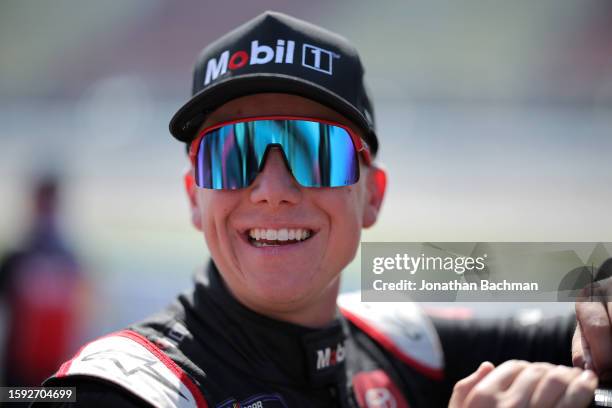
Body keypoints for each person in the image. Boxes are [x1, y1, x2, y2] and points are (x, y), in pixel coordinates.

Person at [39, 11, 608, 407]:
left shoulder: (399, 332)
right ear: (194, 197)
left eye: (315, 150)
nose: (272, 189)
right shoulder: (120, 389)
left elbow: (575, 286)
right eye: (232, 154)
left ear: (373, 196)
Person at [0, 174, 86, 391]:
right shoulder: (18, 255)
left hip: (56, 367)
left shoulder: (69, 258)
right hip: (20, 366)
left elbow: (82, 310)